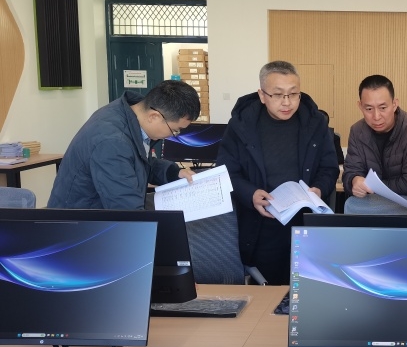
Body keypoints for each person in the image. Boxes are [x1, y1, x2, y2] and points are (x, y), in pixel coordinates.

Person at [217, 61, 338, 285]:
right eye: (278, 94)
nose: (287, 102)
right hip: (263, 223)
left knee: (308, 287)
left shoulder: (315, 122)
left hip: (304, 221)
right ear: (262, 95)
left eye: (293, 94)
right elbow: (226, 172)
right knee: (267, 292)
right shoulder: (241, 125)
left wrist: (319, 189)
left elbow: (329, 167)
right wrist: (251, 194)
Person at [47, 80, 200, 210]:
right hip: (78, 227)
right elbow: (126, 210)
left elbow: (138, 163)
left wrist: (174, 173)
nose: (174, 135)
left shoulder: (130, 114)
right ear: (154, 116)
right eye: (175, 130)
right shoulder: (112, 142)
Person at [343, 74, 407, 198]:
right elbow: (351, 170)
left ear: (394, 104)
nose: (376, 116)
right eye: (369, 109)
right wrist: (354, 180)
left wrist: (371, 187)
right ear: (360, 106)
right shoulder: (357, 131)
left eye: (383, 108)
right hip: (372, 204)